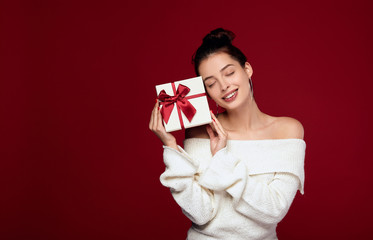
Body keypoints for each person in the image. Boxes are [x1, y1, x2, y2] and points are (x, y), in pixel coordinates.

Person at [149, 28, 306, 240]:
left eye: (229, 73)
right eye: (211, 83)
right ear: (206, 91)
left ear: (247, 69)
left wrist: (223, 158)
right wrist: (170, 146)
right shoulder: (201, 131)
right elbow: (201, 213)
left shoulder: (287, 130)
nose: (224, 86)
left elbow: (274, 210)